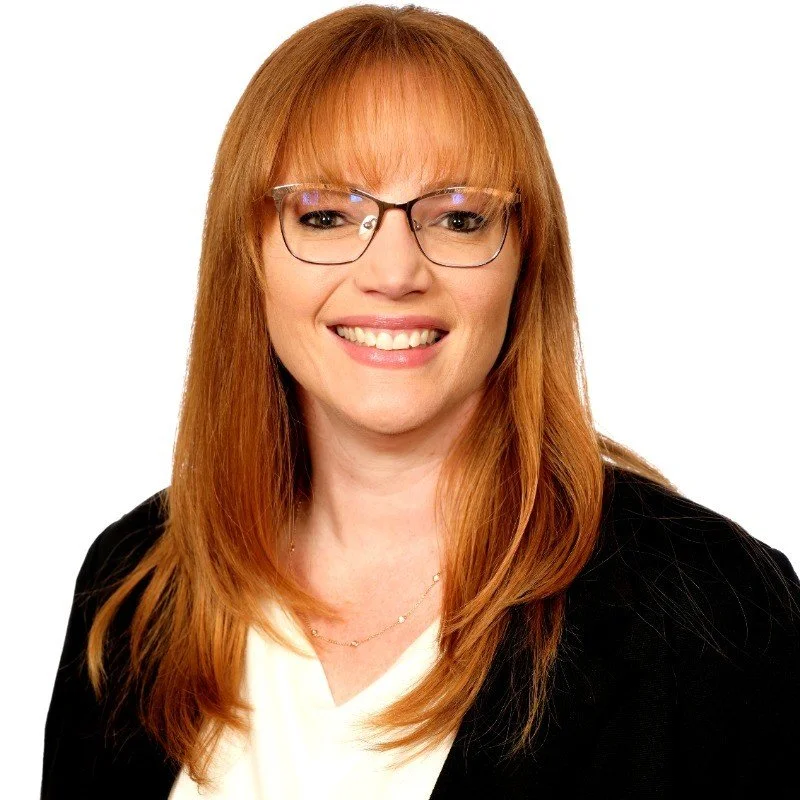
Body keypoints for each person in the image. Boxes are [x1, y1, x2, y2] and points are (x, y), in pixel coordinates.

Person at [41, 4, 800, 799]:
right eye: (328, 215)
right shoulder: (135, 589)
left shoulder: (710, 612)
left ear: (523, 260)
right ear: (249, 257)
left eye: (459, 219)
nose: (395, 272)